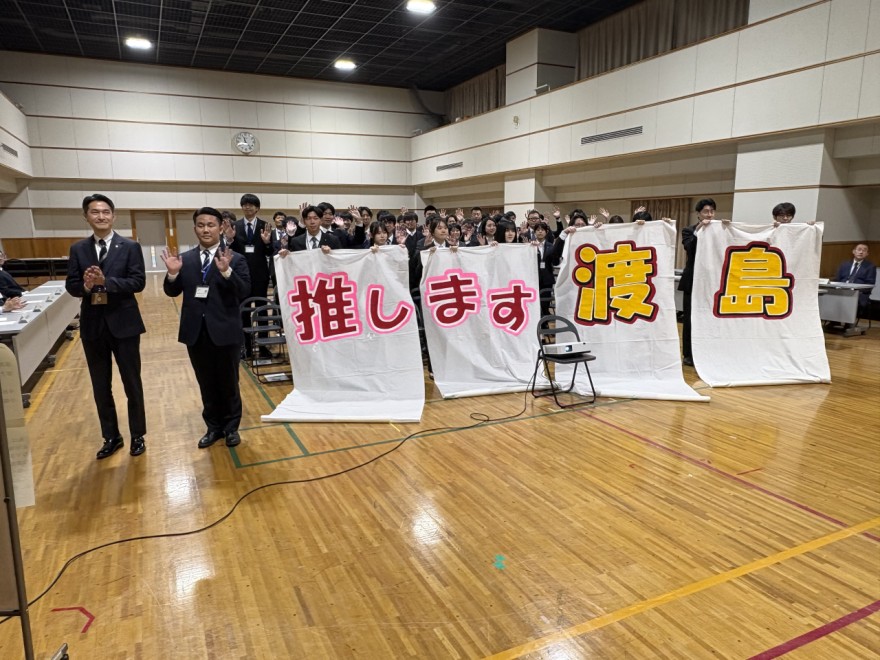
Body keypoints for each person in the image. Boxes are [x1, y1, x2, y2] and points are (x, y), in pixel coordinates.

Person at [66, 194, 147, 459]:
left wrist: (107, 282)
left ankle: (137, 435)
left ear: (113, 216)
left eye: (105, 212)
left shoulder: (130, 247)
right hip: (93, 326)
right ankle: (111, 436)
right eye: (94, 212)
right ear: (86, 216)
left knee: (131, 383)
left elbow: (138, 282)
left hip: (124, 324)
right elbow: (71, 285)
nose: (101, 216)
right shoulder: (78, 249)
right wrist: (87, 287)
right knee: (101, 386)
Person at [161, 207, 251, 449]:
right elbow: (172, 291)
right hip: (196, 332)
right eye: (201, 225)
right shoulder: (185, 259)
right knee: (206, 382)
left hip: (225, 332)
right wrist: (171, 274)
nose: (206, 229)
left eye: (211, 224)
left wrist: (226, 272)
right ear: (194, 229)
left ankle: (231, 428)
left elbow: (244, 291)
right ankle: (213, 427)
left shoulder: (235, 258)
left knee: (229, 382)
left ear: (221, 227)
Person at [229, 193, 273, 358]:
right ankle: (245, 347)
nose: (248, 207)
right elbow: (230, 251)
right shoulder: (235, 226)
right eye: (245, 204)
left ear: (257, 208)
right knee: (243, 311)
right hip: (241, 276)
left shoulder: (265, 225)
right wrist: (229, 239)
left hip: (260, 274)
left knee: (261, 310)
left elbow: (270, 252)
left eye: (251, 204)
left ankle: (263, 346)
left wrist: (267, 242)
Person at [679, 198, 716, 367]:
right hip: (692, 280)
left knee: (709, 317)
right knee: (690, 319)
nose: (709, 214)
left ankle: (707, 352)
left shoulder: (718, 231)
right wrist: (700, 229)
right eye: (706, 211)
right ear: (698, 214)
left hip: (712, 282)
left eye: (712, 211)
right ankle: (689, 354)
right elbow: (690, 248)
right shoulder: (689, 230)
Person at [834, 243, 876, 311]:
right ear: (854, 251)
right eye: (859, 249)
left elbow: (870, 285)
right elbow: (836, 280)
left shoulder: (870, 267)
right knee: (831, 297)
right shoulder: (844, 264)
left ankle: (848, 321)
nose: (861, 252)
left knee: (848, 300)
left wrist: (855, 290)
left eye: (864, 250)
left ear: (867, 254)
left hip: (858, 293)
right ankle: (834, 321)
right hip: (841, 291)